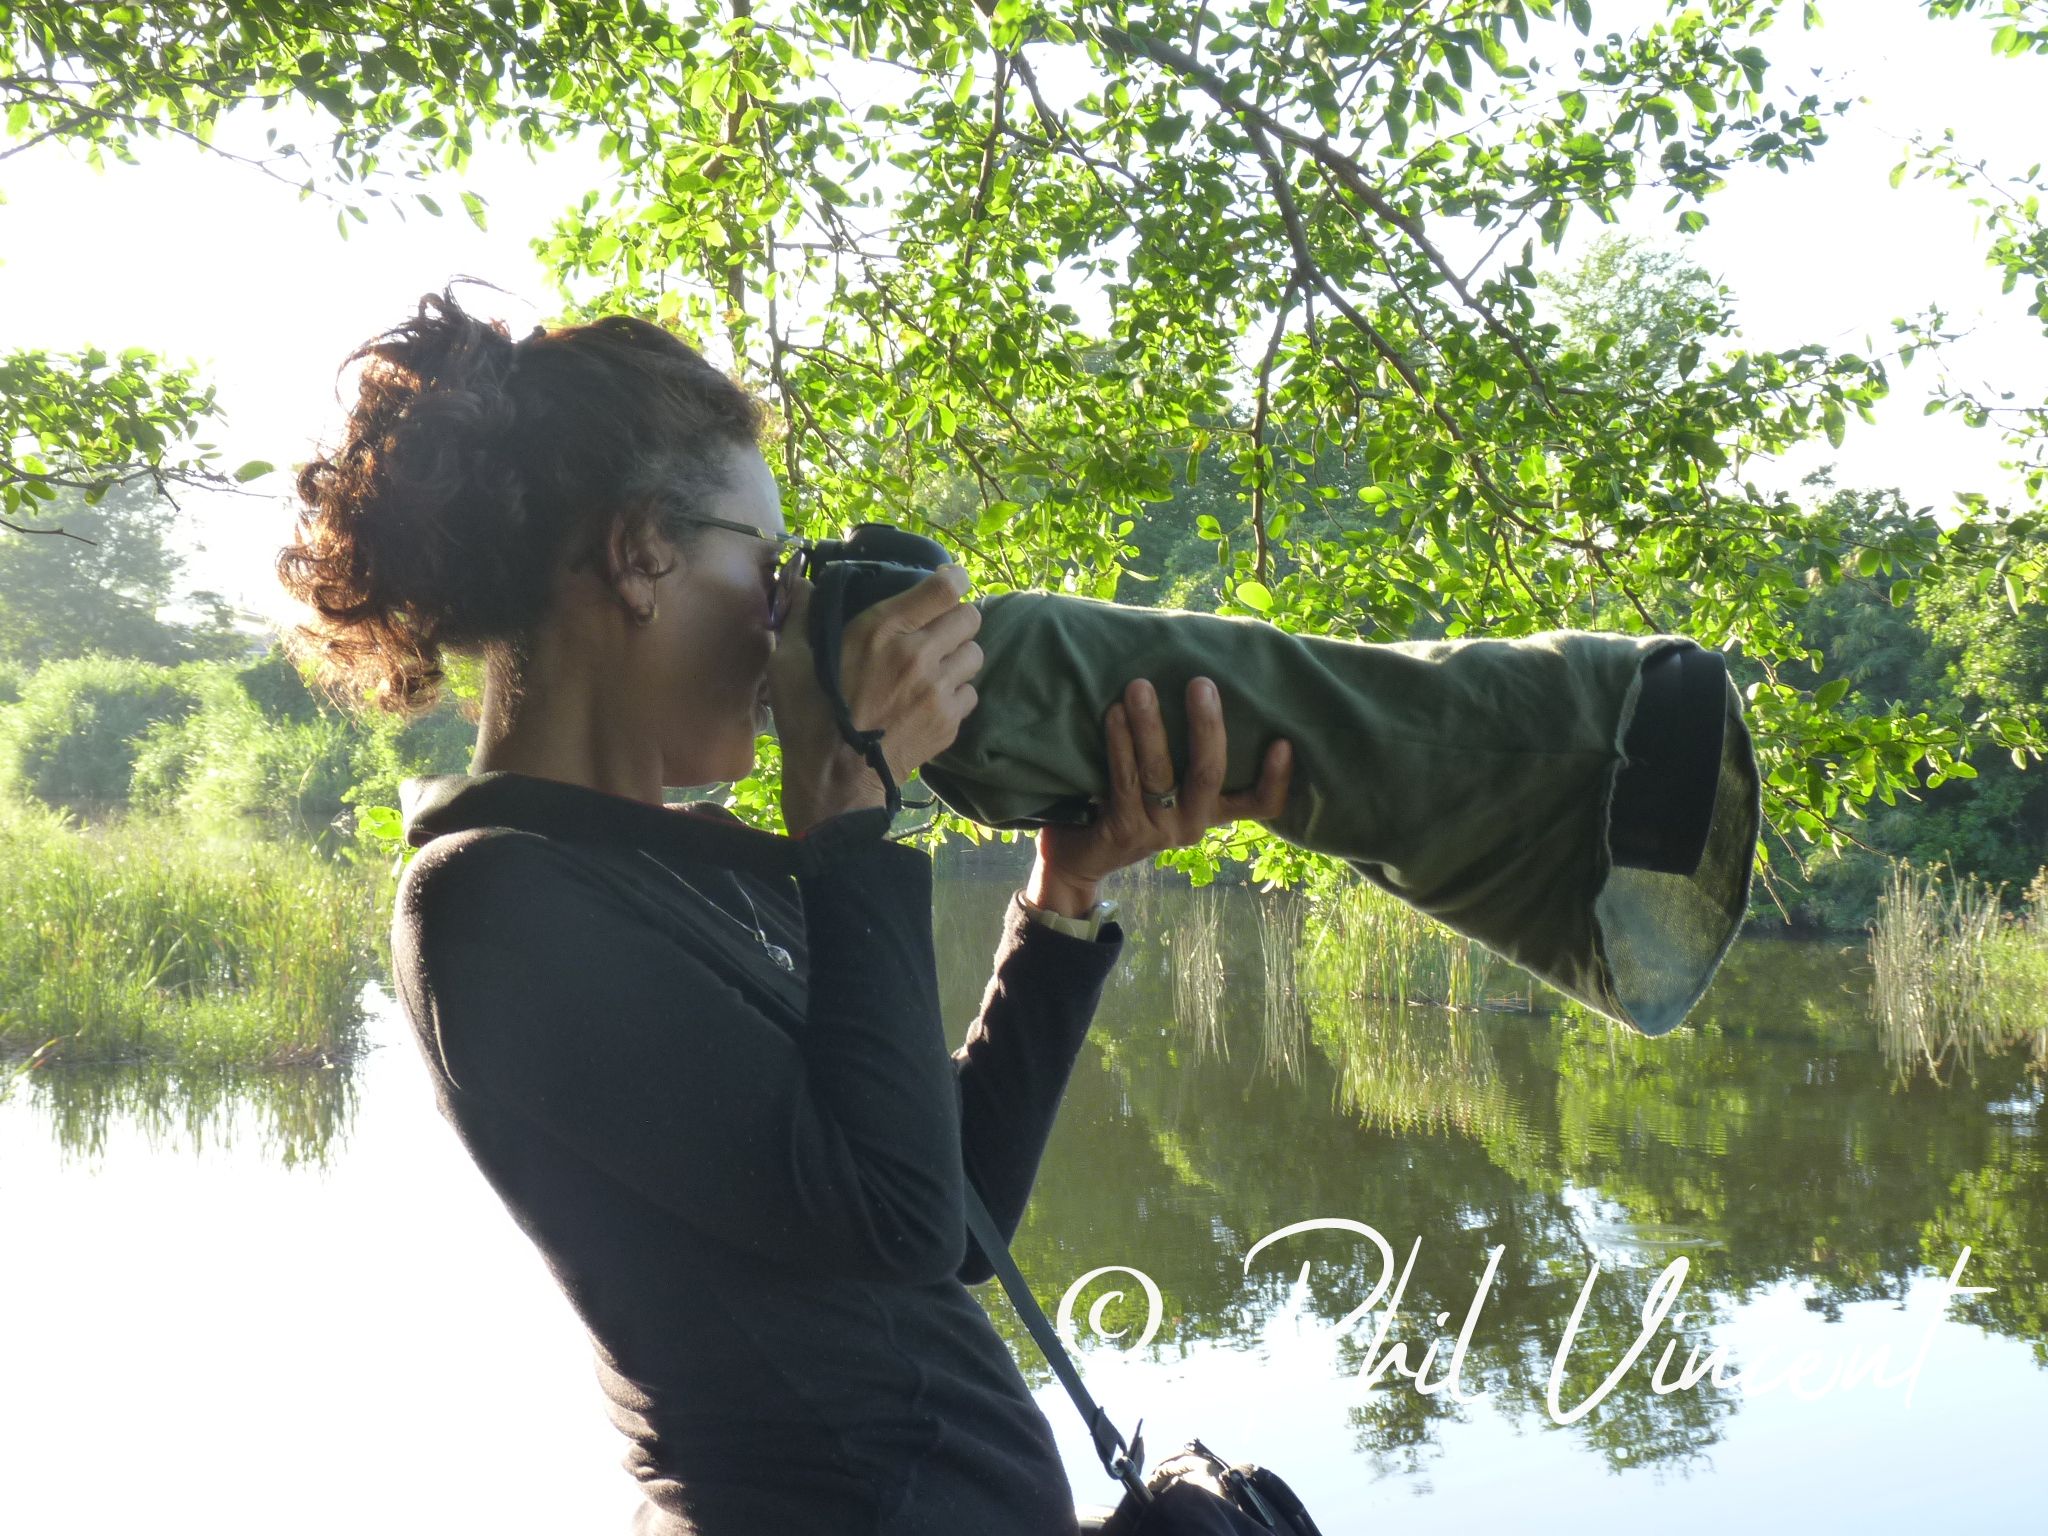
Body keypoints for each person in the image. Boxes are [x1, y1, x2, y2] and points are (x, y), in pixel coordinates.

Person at [275, 286, 1292, 1535]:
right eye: (769, 573)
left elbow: (952, 1215)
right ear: (637, 555)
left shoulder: (689, 862)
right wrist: (849, 804)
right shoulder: (489, 900)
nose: (785, 629)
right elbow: (894, 1218)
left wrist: (1063, 893)